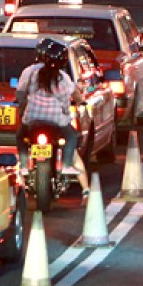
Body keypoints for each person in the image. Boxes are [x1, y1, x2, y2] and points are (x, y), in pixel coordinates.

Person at [15, 38, 89, 199]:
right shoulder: (62, 77)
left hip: (32, 118)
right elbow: (67, 98)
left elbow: (21, 92)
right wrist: (75, 106)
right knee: (71, 136)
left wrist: (22, 106)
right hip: (56, 121)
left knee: (21, 137)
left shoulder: (30, 72)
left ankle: (24, 166)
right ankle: (67, 165)